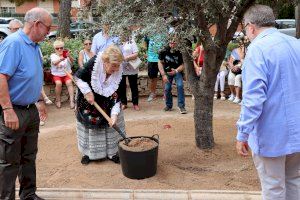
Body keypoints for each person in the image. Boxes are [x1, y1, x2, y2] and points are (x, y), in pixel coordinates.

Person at [236, 5, 300, 200]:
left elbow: (254, 98)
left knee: (273, 188)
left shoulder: (257, 50)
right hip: (297, 130)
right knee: (294, 181)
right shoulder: (296, 44)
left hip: (271, 134)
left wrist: (242, 133)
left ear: (251, 27)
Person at [0, 7, 52, 200]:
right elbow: (1, 76)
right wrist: (7, 109)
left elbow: (33, 77)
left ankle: (28, 195)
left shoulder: (35, 46)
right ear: (37, 25)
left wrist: (39, 101)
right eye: (47, 28)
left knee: (28, 157)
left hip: (30, 111)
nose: (49, 32)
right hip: (14, 111)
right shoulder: (13, 44)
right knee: (9, 161)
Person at [75, 45, 125, 165]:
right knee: (89, 125)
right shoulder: (94, 63)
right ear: (105, 62)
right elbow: (77, 78)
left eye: (118, 66)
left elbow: (117, 96)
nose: (116, 69)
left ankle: (112, 153)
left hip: (108, 101)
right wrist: (87, 92)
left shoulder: (119, 70)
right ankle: (88, 153)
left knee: (112, 124)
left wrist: (114, 116)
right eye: (113, 66)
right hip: (88, 99)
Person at [158, 40, 187, 114]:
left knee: (180, 85)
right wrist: (163, 75)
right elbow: (160, 62)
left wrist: (176, 71)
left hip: (177, 71)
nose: (172, 45)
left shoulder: (180, 51)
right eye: (171, 43)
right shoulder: (164, 50)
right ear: (168, 42)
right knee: (167, 88)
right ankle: (168, 105)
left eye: (174, 43)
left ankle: (181, 106)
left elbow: (183, 65)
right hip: (167, 72)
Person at [50, 40, 75, 109]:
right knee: (58, 83)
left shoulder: (66, 55)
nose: (59, 49)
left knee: (69, 82)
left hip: (66, 74)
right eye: (57, 48)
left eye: (61, 48)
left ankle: (71, 101)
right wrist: (62, 59)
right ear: (54, 49)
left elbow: (72, 62)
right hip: (57, 75)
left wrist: (69, 56)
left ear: (63, 48)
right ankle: (58, 100)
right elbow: (54, 62)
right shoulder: (53, 55)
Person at [119, 32, 140, 111]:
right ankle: (124, 103)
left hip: (131, 66)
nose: (122, 34)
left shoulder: (131, 41)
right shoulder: (117, 42)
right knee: (121, 86)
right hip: (121, 67)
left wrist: (126, 58)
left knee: (133, 86)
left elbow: (136, 54)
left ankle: (135, 103)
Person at [144, 36, 165, 102]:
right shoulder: (149, 32)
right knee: (153, 78)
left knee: (164, 78)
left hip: (163, 59)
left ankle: (166, 94)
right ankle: (153, 94)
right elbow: (145, 42)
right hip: (152, 59)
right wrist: (146, 52)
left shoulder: (165, 31)